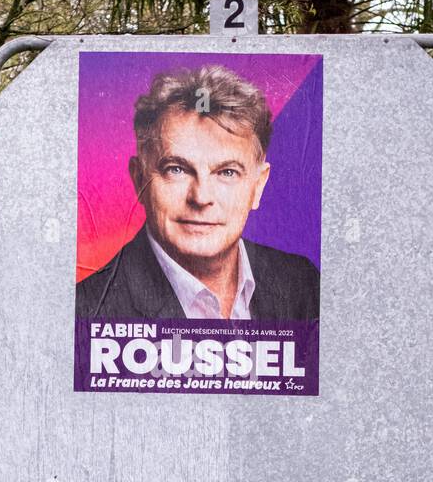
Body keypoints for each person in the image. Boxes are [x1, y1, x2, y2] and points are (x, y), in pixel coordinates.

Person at [76, 64, 319, 321]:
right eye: (177, 169)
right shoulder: (89, 308)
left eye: (227, 172)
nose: (201, 197)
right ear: (139, 179)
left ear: (258, 186)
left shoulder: (304, 283)